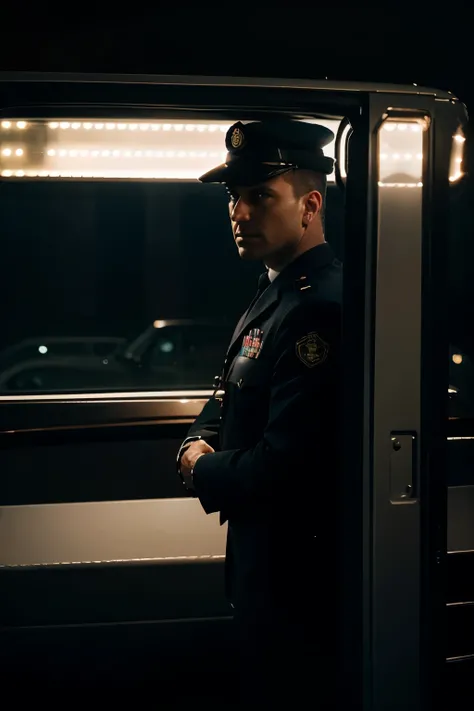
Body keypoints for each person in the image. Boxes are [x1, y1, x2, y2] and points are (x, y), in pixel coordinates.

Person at [176, 118, 342, 706]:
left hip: (299, 582)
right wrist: (194, 439)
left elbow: (288, 468)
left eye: (259, 196)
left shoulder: (318, 309)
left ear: (310, 205)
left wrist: (202, 468)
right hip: (268, 571)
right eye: (234, 197)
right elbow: (227, 395)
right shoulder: (277, 291)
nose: (239, 213)